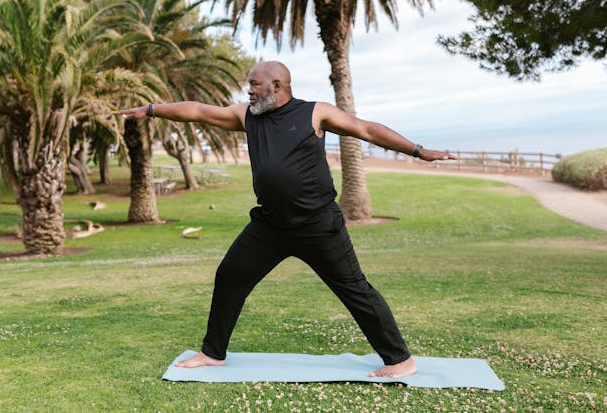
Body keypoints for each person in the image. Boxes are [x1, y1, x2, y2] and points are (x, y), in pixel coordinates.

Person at [114, 61, 456, 377]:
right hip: (270, 226)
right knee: (230, 275)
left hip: (318, 225)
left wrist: (417, 150)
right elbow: (200, 112)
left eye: (253, 84)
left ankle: (400, 359)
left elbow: (365, 129)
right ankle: (213, 352)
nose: (248, 90)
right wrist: (150, 109)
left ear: (276, 85)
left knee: (355, 289)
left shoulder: (315, 113)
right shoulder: (247, 116)